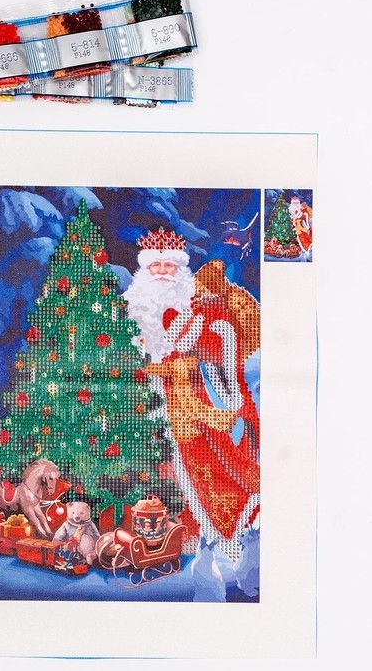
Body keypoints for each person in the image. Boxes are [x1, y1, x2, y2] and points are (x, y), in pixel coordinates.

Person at [123, 228, 260, 558]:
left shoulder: (196, 303)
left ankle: (203, 532)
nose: (162, 272)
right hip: (138, 405)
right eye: (155, 266)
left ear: (180, 268)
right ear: (144, 268)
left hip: (187, 404)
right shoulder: (131, 307)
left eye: (169, 266)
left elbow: (216, 348)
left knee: (196, 469)